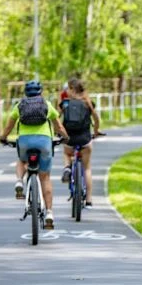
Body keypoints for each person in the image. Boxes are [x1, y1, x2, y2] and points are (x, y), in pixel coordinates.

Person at [0, 80, 69, 228]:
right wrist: (65, 137)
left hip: (24, 142)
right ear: (40, 92)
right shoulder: (47, 105)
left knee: (22, 160)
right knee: (45, 178)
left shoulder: (19, 106)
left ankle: (19, 181)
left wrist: (3, 137)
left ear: (25, 93)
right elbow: (59, 126)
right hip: (44, 143)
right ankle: (49, 212)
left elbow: (9, 126)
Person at [59, 78, 101, 208]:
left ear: (72, 89)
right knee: (87, 168)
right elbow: (96, 118)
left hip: (70, 139)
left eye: (68, 89)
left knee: (66, 153)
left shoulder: (65, 104)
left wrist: (60, 133)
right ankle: (88, 200)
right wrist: (96, 131)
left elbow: (56, 119)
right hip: (84, 140)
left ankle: (67, 168)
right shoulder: (88, 103)